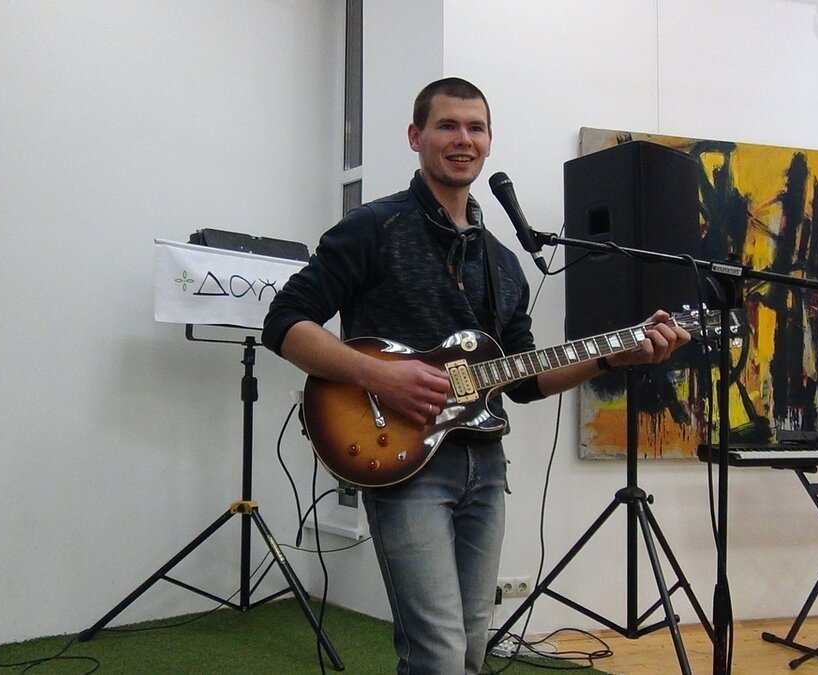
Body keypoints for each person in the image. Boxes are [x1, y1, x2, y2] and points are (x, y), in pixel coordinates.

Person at [262, 77, 690, 674]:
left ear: (489, 142)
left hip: (485, 467)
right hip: (404, 463)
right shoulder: (373, 227)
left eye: (476, 128)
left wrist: (614, 356)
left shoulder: (503, 262)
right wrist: (380, 377)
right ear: (416, 137)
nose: (463, 139)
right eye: (447, 125)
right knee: (436, 653)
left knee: (470, 647)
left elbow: (524, 380)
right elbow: (283, 322)